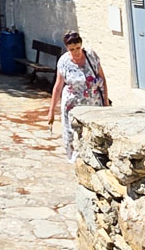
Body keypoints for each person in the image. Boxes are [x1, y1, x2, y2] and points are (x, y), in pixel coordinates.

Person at [46, 30, 108, 161]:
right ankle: (75, 161)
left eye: (78, 48)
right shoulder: (64, 62)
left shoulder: (91, 56)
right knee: (72, 134)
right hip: (72, 105)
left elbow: (102, 80)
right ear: (67, 48)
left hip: (93, 103)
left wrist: (106, 104)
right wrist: (51, 110)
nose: (76, 51)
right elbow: (58, 87)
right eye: (72, 49)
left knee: (94, 134)